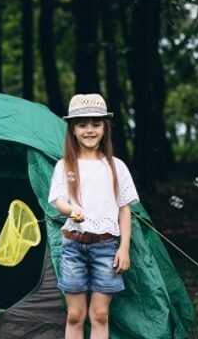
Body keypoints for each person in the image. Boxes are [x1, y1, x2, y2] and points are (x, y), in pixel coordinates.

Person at [48, 93, 137, 339]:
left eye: (96, 124)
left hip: (107, 247)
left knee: (99, 314)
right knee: (75, 314)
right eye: (82, 124)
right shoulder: (64, 165)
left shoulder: (117, 167)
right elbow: (59, 201)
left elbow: (124, 209)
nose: (89, 130)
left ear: (104, 128)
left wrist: (124, 248)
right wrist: (71, 210)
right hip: (73, 246)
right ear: (73, 130)